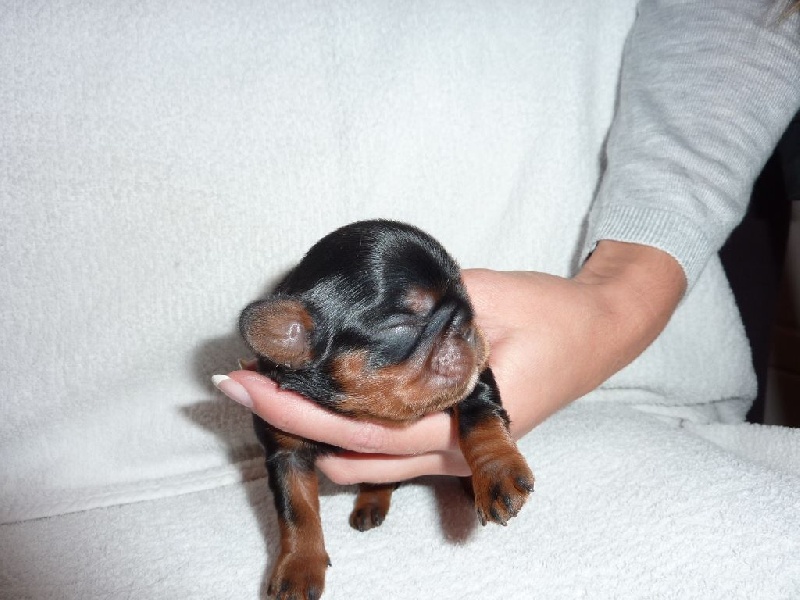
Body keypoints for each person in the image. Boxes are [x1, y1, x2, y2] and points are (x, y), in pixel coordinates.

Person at [214, 0, 800, 485]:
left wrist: (616, 302)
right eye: (404, 323)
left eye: (459, 318)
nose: (464, 343)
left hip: (658, 394)